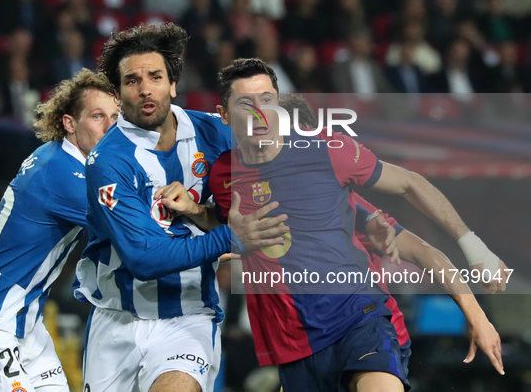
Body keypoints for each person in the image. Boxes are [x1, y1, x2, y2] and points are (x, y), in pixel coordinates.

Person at [208, 58, 507, 391]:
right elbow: (222, 227)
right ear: (224, 114)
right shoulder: (224, 176)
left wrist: (475, 283)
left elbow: (419, 232)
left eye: (267, 101)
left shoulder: (336, 167)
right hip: (295, 346)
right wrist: (199, 216)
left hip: (360, 318)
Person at [73, 23, 286, 392]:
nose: (145, 89)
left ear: (172, 84)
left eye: (155, 77)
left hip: (189, 315)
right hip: (117, 322)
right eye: (132, 80)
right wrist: (230, 237)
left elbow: (273, 167)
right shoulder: (108, 161)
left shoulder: (212, 133)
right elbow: (143, 258)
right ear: (119, 94)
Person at [0, 68, 120, 392]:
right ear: (70, 123)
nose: (110, 127)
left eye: (115, 116)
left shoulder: (58, 156)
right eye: (98, 116)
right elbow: (133, 233)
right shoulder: (64, 173)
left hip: (25, 324)